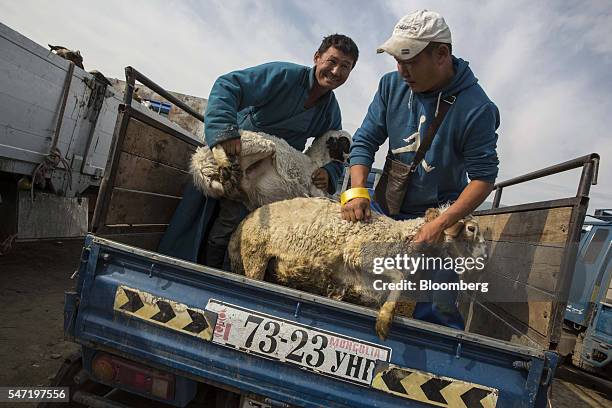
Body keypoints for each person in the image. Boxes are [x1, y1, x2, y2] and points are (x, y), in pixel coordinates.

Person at [341, 10, 499, 329]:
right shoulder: (390, 86)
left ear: (441, 55)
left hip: (435, 217)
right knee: (345, 277)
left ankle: (437, 359)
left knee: (434, 304)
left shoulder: (478, 108)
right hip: (384, 206)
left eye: (410, 60)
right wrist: (356, 191)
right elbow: (365, 141)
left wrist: (441, 223)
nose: (401, 71)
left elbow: (483, 178)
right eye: (397, 59)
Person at [159, 34, 359, 267]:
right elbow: (228, 85)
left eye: (345, 67)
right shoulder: (284, 76)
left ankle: (224, 279)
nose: (336, 71)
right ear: (317, 57)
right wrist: (225, 132)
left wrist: (329, 172)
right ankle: (173, 269)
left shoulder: (330, 111)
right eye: (331, 62)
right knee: (199, 214)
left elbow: (333, 147)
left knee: (242, 230)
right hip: (233, 154)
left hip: (268, 179)